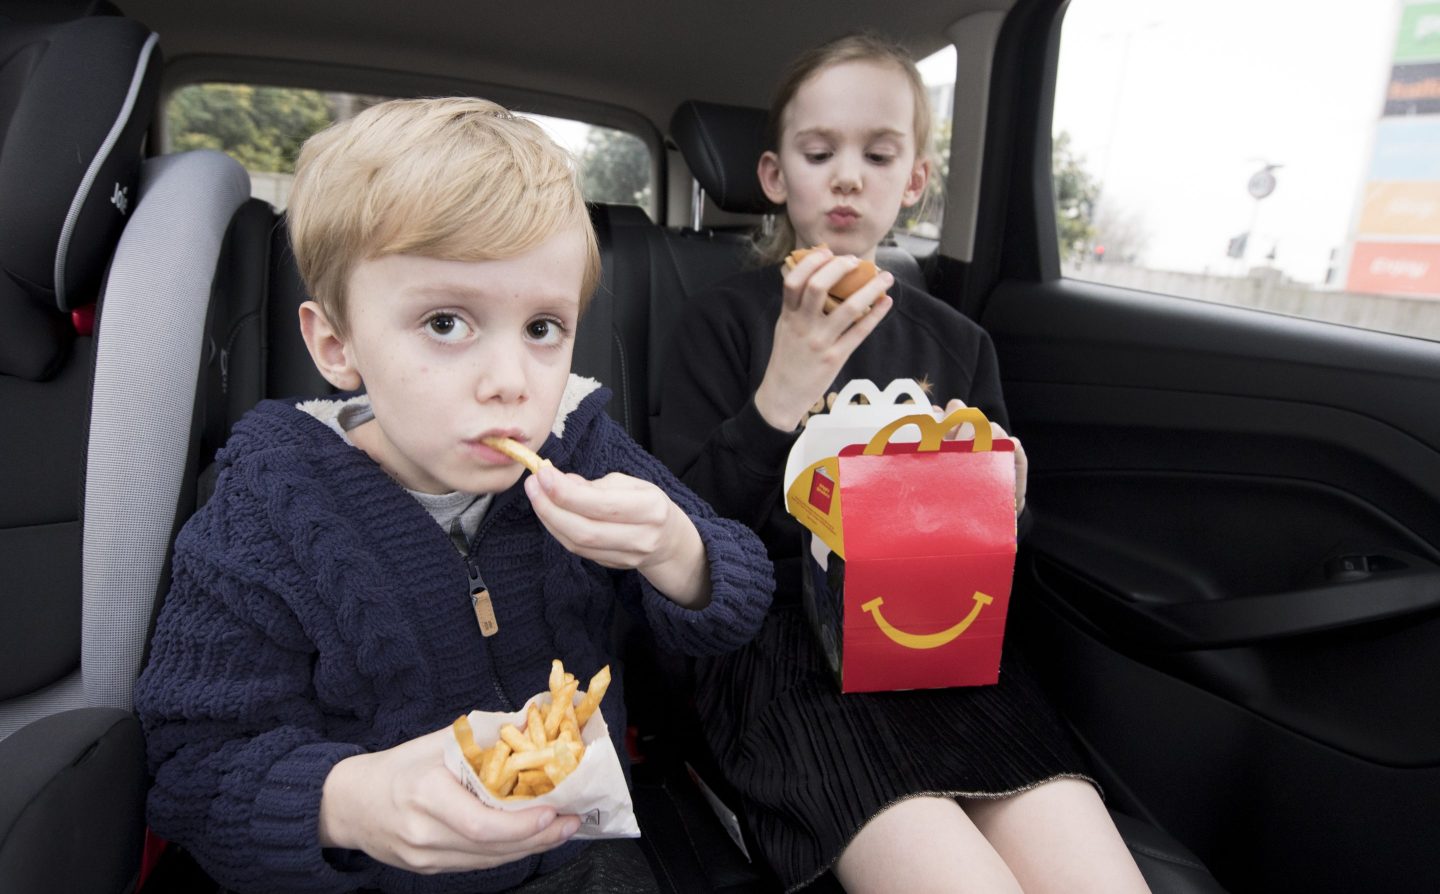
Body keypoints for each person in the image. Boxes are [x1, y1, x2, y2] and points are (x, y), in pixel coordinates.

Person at [133, 97, 774, 894]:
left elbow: (739, 602)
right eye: (445, 323)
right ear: (336, 344)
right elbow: (190, 769)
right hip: (375, 877)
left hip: (577, 851)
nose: (510, 382)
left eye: (543, 328)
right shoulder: (264, 511)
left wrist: (678, 551)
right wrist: (351, 804)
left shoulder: (582, 445)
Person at [653, 34, 1150, 894]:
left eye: (878, 155)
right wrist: (779, 398)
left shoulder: (957, 343)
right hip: (777, 653)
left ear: (915, 180)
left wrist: (1004, 497)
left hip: (936, 647)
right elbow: (681, 535)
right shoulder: (720, 324)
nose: (848, 177)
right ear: (775, 175)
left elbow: (996, 542)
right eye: (819, 153)